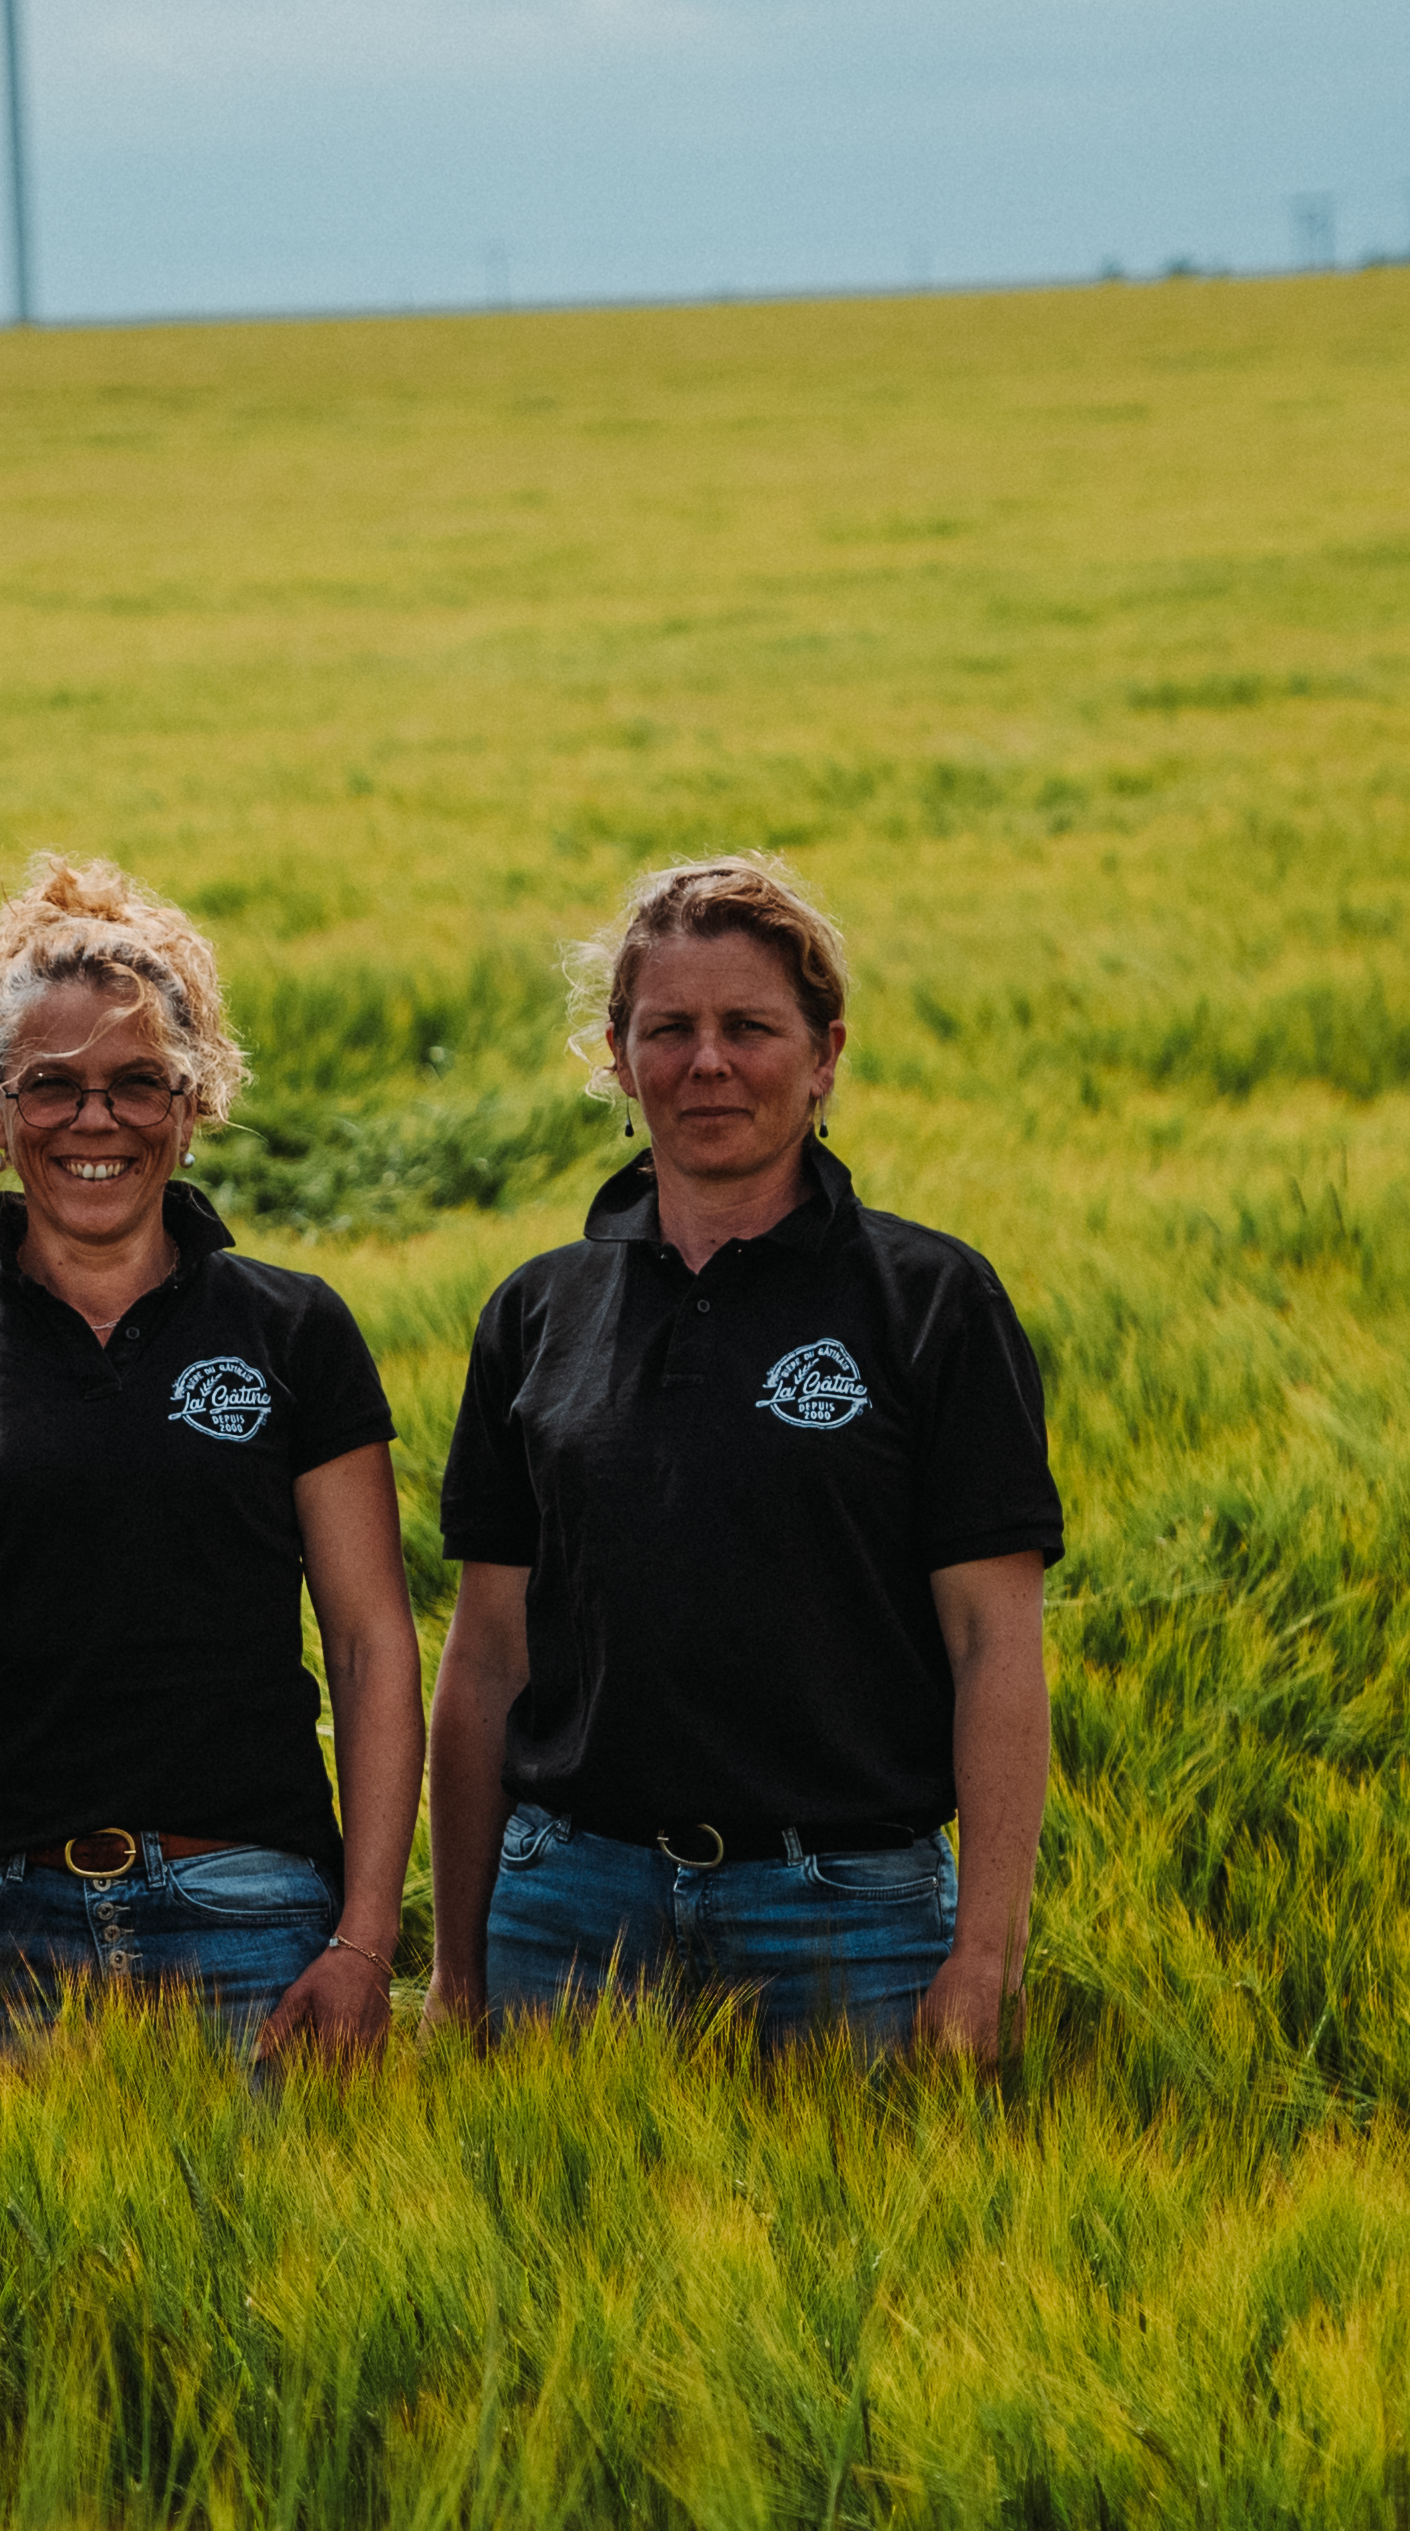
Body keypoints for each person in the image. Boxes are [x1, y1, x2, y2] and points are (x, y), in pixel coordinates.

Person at [428, 852, 1059, 2056]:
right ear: (618, 1059)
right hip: (570, 1911)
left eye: (748, 1027)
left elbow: (995, 1644)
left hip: (846, 1916)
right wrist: (459, 1966)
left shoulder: (931, 1303)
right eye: (668, 1028)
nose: (706, 1062)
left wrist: (984, 1954)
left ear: (824, 1056)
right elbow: (487, 1657)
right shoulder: (536, 1314)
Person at [0, 857, 415, 2055]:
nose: (97, 1121)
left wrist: (362, 1942)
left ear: (193, 1106)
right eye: (53, 1088)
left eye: (138, 1084)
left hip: (252, 1914)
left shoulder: (293, 1329)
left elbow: (370, 1640)